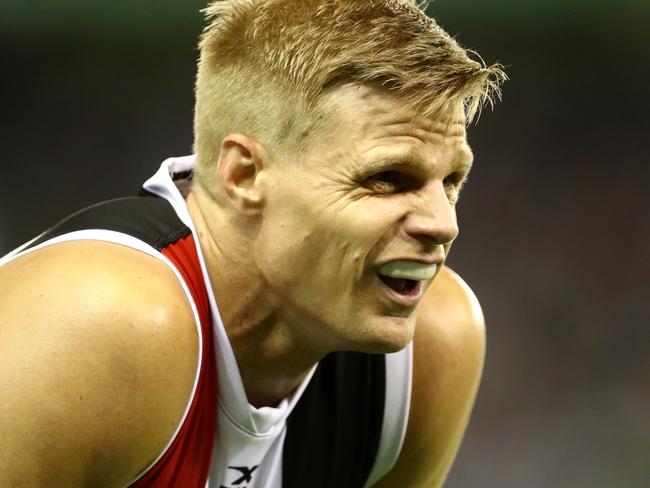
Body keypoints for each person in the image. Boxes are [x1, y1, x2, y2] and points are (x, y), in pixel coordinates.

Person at [0, 0, 505, 486]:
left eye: (451, 180)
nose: (443, 224)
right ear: (245, 175)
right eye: (386, 177)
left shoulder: (432, 347)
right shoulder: (104, 321)